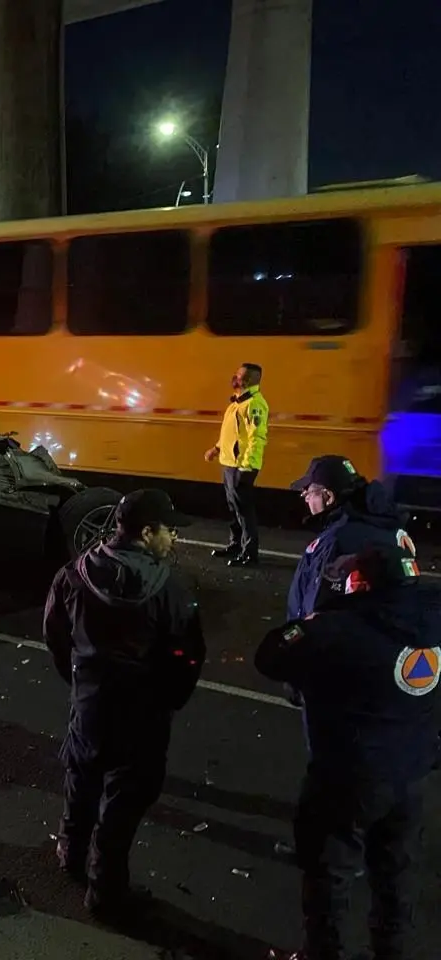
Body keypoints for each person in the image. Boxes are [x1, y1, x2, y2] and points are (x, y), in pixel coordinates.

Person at [256, 546, 440, 960]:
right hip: (410, 770)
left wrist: (314, 617)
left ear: (359, 583)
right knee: (395, 873)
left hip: (348, 775)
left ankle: (325, 953)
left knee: (329, 875)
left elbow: (269, 656)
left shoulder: (337, 628)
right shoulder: (432, 617)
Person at [43, 488, 205, 919]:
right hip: (143, 714)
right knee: (123, 804)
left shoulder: (74, 574)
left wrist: (80, 681)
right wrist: (169, 700)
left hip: (92, 705)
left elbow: (56, 637)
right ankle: (105, 892)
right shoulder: (171, 588)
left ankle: (70, 853)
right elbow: (188, 656)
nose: (173, 539)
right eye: (169, 531)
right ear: (146, 533)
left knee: (81, 780)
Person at [287, 454, 414, 621]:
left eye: (308, 492)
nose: (306, 497)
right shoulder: (389, 526)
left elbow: (317, 606)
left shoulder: (336, 539)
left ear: (328, 496)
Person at [204, 362, 269, 567]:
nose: (235, 377)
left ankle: (249, 553)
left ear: (248, 380)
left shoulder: (254, 404)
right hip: (229, 463)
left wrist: (247, 467)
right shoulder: (236, 403)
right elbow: (232, 435)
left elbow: (256, 438)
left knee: (244, 510)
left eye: (239, 376)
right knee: (234, 508)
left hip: (242, 466)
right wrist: (216, 449)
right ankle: (235, 545)